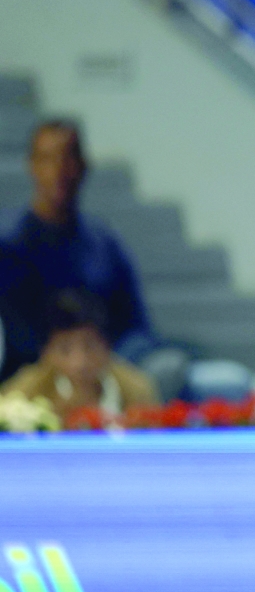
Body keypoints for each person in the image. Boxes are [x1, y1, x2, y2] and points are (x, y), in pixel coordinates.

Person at [0, 120, 188, 397]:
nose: (59, 171)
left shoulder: (105, 244)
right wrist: (64, 358)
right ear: (31, 165)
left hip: (107, 372)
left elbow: (137, 325)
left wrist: (96, 358)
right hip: (34, 376)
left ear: (83, 166)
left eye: (68, 158)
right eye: (48, 159)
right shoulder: (7, 245)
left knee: (168, 367)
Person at [0, 289, 159, 422]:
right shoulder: (21, 394)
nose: (79, 362)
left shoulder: (138, 390)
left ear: (108, 347)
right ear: (46, 352)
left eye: (90, 347)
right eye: (65, 350)